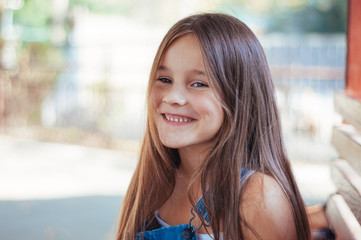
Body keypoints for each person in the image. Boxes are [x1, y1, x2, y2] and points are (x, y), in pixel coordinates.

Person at [117, 13, 311, 240]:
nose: (173, 97)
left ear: (239, 96)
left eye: (198, 84)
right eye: (165, 80)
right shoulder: (157, 180)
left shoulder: (257, 197)